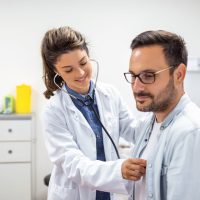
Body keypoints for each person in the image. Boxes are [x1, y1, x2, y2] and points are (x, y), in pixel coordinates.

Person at [41, 26, 146, 200]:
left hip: (109, 191)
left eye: (83, 63)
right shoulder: (53, 111)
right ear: (56, 71)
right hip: (76, 193)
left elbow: (133, 130)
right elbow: (74, 165)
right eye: (68, 70)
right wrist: (118, 170)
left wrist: (158, 111)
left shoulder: (109, 94)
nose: (81, 73)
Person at [123, 30, 200, 200]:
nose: (136, 87)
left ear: (179, 74)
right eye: (134, 76)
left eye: (148, 76)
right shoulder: (150, 123)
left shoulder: (189, 133)